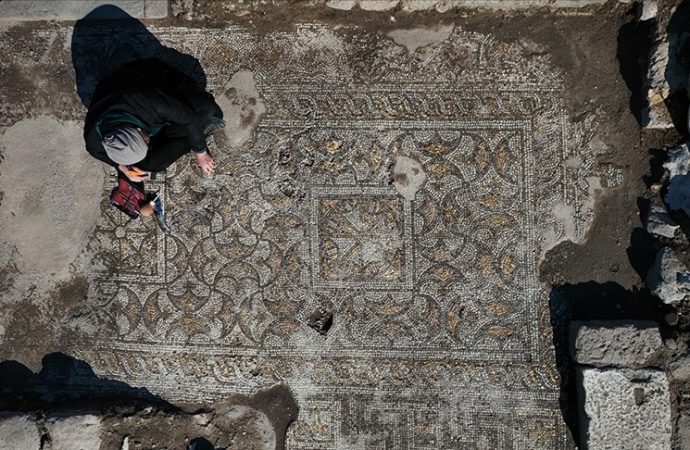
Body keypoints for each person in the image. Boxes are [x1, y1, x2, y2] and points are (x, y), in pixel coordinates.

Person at [84, 58, 224, 184]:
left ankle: (196, 137)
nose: (149, 143)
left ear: (138, 130)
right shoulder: (93, 139)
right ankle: (192, 137)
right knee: (145, 167)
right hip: (142, 116)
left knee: (206, 109)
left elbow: (187, 116)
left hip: (159, 86)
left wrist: (200, 152)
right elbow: (94, 151)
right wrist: (122, 168)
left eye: (146, 141)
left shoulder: (150, 103)